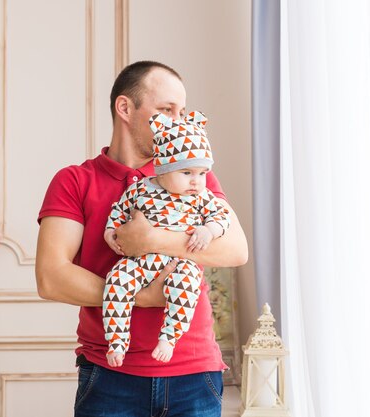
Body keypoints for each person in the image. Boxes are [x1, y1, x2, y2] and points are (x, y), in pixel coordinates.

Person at [35, 61, 248, 417]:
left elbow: (236, 250)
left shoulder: (193, 176)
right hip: (109, 375)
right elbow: (50, 278)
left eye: (181, 112)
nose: (177, 121)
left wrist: (151, 239)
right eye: (166, 110)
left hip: (194, 374)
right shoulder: (74, 181)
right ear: (125, 108)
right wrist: (143, 297)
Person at [103, 110, 230, 366]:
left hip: (181, 261)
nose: (196, 181)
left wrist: (209, 230)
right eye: (186, 173)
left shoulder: (201, 197)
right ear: (162, 171)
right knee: (116, 279)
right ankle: (116, 341)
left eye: (202, 173)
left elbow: (222, 216)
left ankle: (169, 337)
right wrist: (110, 231)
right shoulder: (141, 188)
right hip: (141, 261)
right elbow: (119, 209)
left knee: (187, 285)